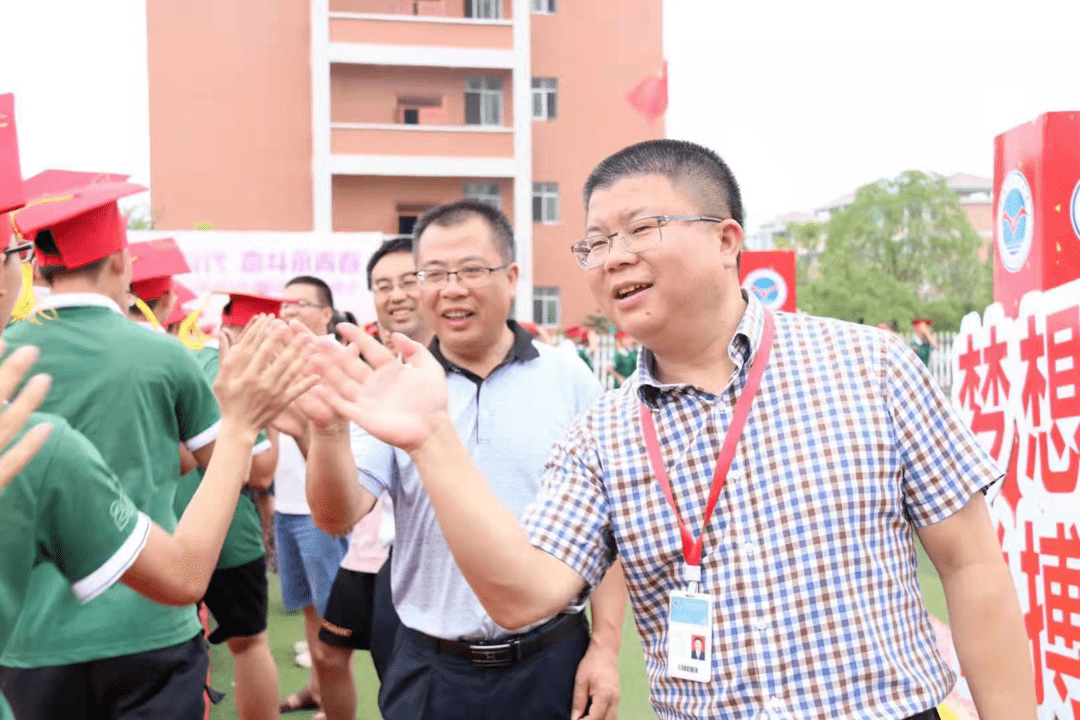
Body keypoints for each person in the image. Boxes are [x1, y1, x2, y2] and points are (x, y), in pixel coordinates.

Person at [309, 140, 1036, 719]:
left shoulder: (869, 366)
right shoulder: (601, 434)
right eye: (595, 243)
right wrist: (432, 439)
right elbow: (522, 594)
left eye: (641, 229)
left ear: (726, 240)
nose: (613, 256)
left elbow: (971, 565)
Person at [298, 200, 627, 720]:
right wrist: (327, 429)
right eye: (433, 274)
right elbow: (335, 514)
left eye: (471, 270)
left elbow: (608, 529)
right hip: (432, 666)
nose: (451, 289)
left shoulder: (569, 378)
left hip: (550, 659)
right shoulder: (397, 386)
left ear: (511, 277)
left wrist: (605, 647)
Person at [0, 181, 315, 720]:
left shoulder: (10, 352)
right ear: (120, 260)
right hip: (149, 608)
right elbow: (241, 470)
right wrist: (243, 424)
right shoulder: (167, 355)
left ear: (41, 270)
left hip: (32, 635)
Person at [310, 237, 422, 720]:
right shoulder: (368, 374)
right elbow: (340, 506)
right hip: (375, 550)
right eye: (383, 285)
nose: (396, 294)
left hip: (441, 570)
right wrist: (323, 427)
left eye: (409, 281)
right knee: (353, 662)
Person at [173, 292, 285, 720]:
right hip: (227, 534)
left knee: (173, 648)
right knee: (250, 642)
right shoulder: (242, 370)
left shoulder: (179, 359)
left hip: (160, 531)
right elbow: (260, 471)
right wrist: (272, 417)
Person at [272, 277, 349, 715]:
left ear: (326, 314)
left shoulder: (337, 363)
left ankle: (334, 702)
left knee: (331, 617)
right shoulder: (282, 364)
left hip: (321, 511)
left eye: (300, 303)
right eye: (285, 304)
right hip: (287, 505)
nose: (289, 311)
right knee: (307, 609)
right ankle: (316, 689)